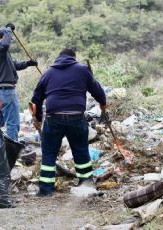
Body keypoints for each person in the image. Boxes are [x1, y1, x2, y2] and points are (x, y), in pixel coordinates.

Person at [30, 48, 106, 196]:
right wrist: (102, 102)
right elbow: (97, 89)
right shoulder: (82, 70)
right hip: (76, 116)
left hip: (53, 117)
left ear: (58, 58)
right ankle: (86, 182)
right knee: (80, 149)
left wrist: (38, 118)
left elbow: (35, 99)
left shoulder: (47, 73)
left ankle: (45, 190)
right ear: (73, 58)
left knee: (49, 153)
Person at [0, 22, 38, 141]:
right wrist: (8, 30)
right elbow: (5, 43)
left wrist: (28, 63)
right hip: (6, 92)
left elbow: (13, 65)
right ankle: (11, 153)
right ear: (1, 37)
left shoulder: (0, 52)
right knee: (13, 123)